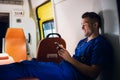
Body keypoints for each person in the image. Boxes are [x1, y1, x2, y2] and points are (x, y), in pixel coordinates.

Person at [0, 12, 112, 80]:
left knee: (26, 67)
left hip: (70, 75)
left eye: (85, 25)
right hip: (64, 68)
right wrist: (64, 54)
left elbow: (93, 73)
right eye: (81, 25)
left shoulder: (100, 44)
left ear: (95, 25)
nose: (82, 28)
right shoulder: (83, 41)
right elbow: (75, 61)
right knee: (33, 62)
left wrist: (69, 59)